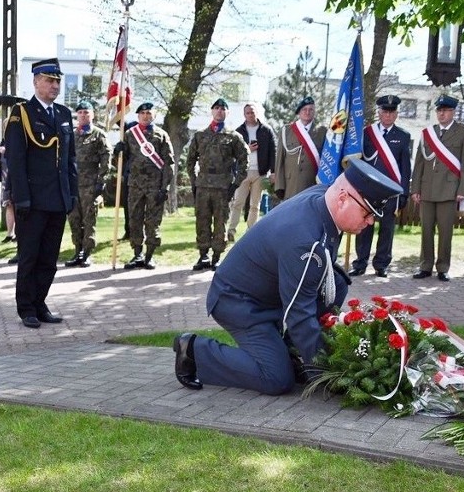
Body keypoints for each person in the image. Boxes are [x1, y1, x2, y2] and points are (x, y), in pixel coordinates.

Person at [173, 158, 403, 394]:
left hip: (267, 292)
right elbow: (299, 314)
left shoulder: (324, 197)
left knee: (337, 284)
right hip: (239, 302)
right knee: (277, 379)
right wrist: (326, 372)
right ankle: (193, 350)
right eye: (367, 212)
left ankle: (292, 352)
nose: (370, 221)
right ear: (343, 198)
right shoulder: (304, 242)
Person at [5, 57, 77, 328]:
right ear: (36, 82)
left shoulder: (63, 114)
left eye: (58, 81)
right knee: (30, 256)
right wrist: (20, 196)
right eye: (49, 80)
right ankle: (26, 307)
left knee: (49, 258)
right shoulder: (22, 113)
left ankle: (40, 302)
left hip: (57, 198)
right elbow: (16, 159)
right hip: (32, 200)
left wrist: (71, 194)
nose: (55, 86)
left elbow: (70, 159)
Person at [410, 95, 464, 282]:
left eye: (445, 110)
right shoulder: (428, 133)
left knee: (445, 231)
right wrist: (415, 188)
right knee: (426, 230)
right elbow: (419, 163)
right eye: (439, 110)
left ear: (453, 112)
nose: (442, 113)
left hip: (449, 190)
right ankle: (425, 266)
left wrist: (463, 190)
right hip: (427, 189)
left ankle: (443, 267)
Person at [349, 95, 412, 278]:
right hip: (368, 190)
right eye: (385, 111)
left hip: (390, 192)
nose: (388, 115)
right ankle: (360, 263)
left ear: (396, 115)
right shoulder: (367, 133)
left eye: (391, 112)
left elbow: (405, 168)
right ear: (379, 112)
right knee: (364, 227)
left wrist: (404, 194)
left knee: (386, 229)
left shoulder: (403, 136)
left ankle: (381, 265)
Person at [186, 98, 249, 271]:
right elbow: (190, 160)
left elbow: (244, 160)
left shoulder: (234, 137)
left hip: (223, 187)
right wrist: (194, 181)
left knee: (221, 221)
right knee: (202, 221)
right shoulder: (200, 135)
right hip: (203, 185)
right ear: (211, 111)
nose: (219, 111)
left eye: (223, 109)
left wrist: (235, 184)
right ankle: (203, 255)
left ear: (227, 113)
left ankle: (216, 256)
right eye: (216, 108)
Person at [115, 102, 175, 270]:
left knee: (152, 221)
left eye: (149, 113)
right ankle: (137, 254)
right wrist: (118, 150)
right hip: (135, 185)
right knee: (134, 219)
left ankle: (149, 256)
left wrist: (165, 188)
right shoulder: (129, 134)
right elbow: (122, 159)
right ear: (138, 115)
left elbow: (169, 163)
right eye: (142, 113)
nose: (146, 115)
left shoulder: (161, 135)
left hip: (155, 185)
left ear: (154, 115)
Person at [65, 100, 112, 268]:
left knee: (89, 219)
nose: (83, 115)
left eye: (87, 112)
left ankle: (87, 253)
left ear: (93, 115)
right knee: (74, 219)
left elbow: (106, 159)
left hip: (90, 185)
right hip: (72, 185)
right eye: (80, 113)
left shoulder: (99, 135)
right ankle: (77, 250)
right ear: (77, 115)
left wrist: (101, 182)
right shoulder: (70, 135)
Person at [230, 102, 276, 241]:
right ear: (244, 115)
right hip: (243, 172)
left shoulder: (266, 130)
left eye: (252, 112)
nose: (250, 114)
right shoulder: (238, 131)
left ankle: (251, 232)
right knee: (238, 202)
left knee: (255, 205)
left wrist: (273, 171)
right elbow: (232, 153)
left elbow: (273, 152)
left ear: (257, 113)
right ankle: (231, 231)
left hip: (260, 173)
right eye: (248, 112)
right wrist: (248, 149)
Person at [274, 96, 327, 201]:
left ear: (314, 111)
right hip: (290, 184)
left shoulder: (322, 132)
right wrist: (279, 186)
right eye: (304, 109)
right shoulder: (286, 131)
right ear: (299, 112)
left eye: (311, 109)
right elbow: (279, 160)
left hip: (311, 184)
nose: (307, 112)